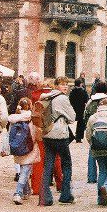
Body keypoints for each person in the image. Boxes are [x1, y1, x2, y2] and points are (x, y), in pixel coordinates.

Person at [39, 76, 77, 205]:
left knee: (48, 165)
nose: (65, 86)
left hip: (47, 133)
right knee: (66, 164)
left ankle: (45, 196)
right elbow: (72, 117)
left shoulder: (46, 97)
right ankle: (65, 195)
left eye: (66, 84)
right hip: (60, 134)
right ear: (56, 86)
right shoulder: (63, 98)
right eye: (62, 84)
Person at [6, 97, 41, 205]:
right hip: (29, 147)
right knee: (25, 170)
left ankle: (26, 191)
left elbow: (9, 135)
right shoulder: (32, 118)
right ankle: (18, 193)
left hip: (17, 147)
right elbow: (37, 134)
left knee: (23, 169)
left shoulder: (13, 119)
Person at [83, 82, 107, 184]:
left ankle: (91, 176)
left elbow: (85, 115)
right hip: (106, 128)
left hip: (93, 128)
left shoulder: (90, 101)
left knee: (92, 153)